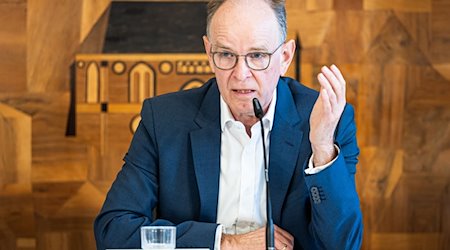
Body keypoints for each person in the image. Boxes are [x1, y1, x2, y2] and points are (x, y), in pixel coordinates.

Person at [94, 0, 363, 249]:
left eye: (257, 56)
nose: (240, 74)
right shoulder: (164, 119)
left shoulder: (327, 119)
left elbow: (343, 245)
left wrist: (323, 149)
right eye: (226, 54)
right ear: (209, 53)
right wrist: (225, 243)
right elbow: (113, 230)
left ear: (285, 57)